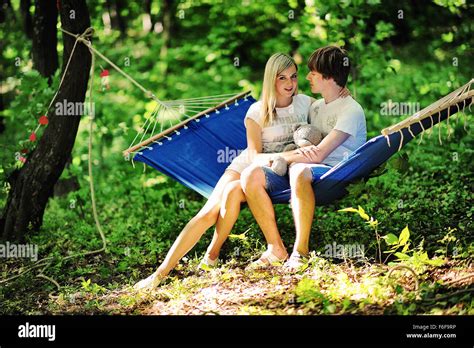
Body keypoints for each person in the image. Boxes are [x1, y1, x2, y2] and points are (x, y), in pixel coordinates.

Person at [134, 53, 339, 290]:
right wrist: (287, 156)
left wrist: (344, 96)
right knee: (209, 213)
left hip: (273, 172)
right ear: (271, 79)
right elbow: (254, 156)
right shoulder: (257, 111)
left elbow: (329, 106)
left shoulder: (304, 103)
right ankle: (159, 274)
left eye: (293, 76)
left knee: (233, 194)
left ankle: (221, 255)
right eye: (282, 78)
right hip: (247, 166)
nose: (289, 83)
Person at [240, 46, 366, 269]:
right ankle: (275, 249)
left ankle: (301, 252)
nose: (307, 77)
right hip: (304, 169)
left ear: (328, 77)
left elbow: (318, 154)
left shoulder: (351, 110)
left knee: (298, 169)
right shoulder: (315, 105)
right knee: (250, 175)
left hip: (334, 173)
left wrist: (284, 158)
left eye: (313, 73)